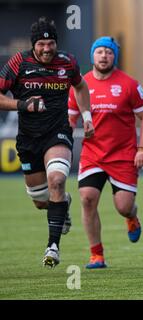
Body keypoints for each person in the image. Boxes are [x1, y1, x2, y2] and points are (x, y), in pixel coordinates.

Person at [0, 17, 94, 268]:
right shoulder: (19, 62)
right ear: (34, 45)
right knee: (41, 201)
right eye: (41, 44)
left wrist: (86, 116)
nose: (46, 49)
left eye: (50, 43)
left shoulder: (68, 62)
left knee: (57, 180)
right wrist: (22, 104)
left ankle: (53, 247)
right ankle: (63, 203)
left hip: (58, 132)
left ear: (56, 43)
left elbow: (81, 87)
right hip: (28, 139)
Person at [68, 37, 143, 269]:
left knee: (123, 206)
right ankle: (97, 254)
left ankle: (131, 218)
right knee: (87, 199)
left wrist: (142, 148)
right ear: (92, 56)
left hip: (123, 155)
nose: (104, 56)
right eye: (99, 52)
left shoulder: (129, 84)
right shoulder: (80, 84)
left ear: (114, 56)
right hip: (92, 153)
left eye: (108, 52)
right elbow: (71, 117)